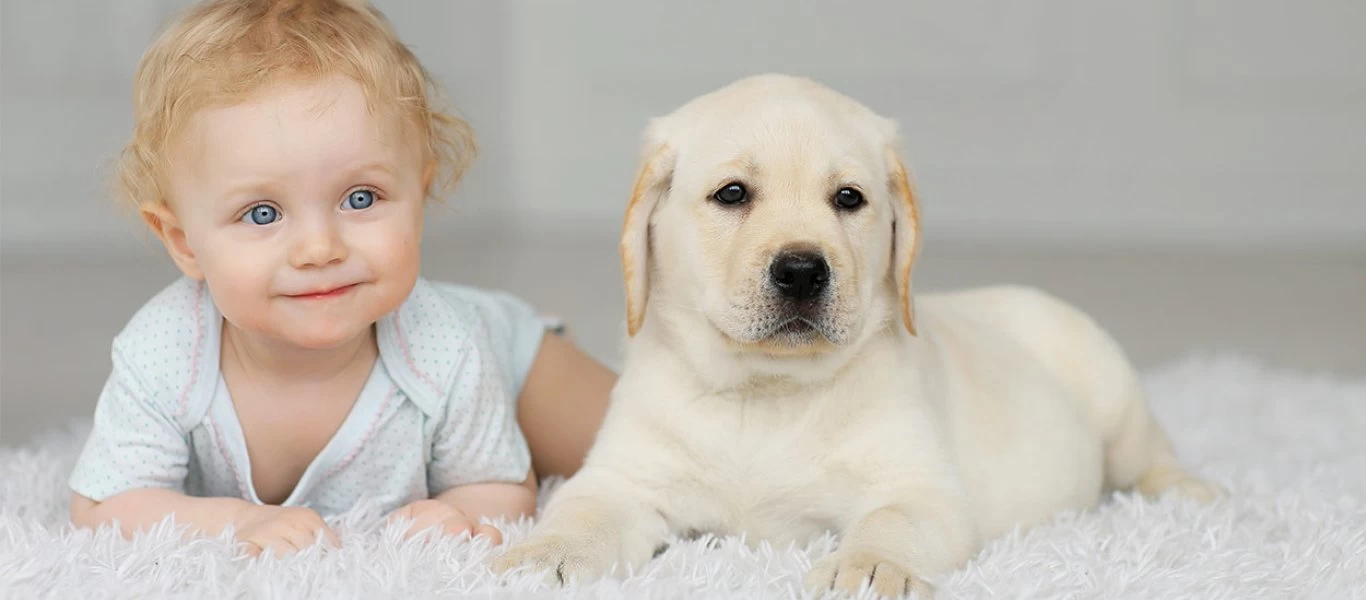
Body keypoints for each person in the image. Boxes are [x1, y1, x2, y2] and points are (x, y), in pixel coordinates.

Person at [66, 0, 614, 557]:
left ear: (418, 198)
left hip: (516, 360)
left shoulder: (449, 346)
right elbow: (104, 503)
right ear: (183, 241)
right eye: (262, 213)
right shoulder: (164, 353)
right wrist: (236, 521)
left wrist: (460, 512)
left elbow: (501, 487)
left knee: (657, 458)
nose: (319, 248)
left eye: (360, 198)